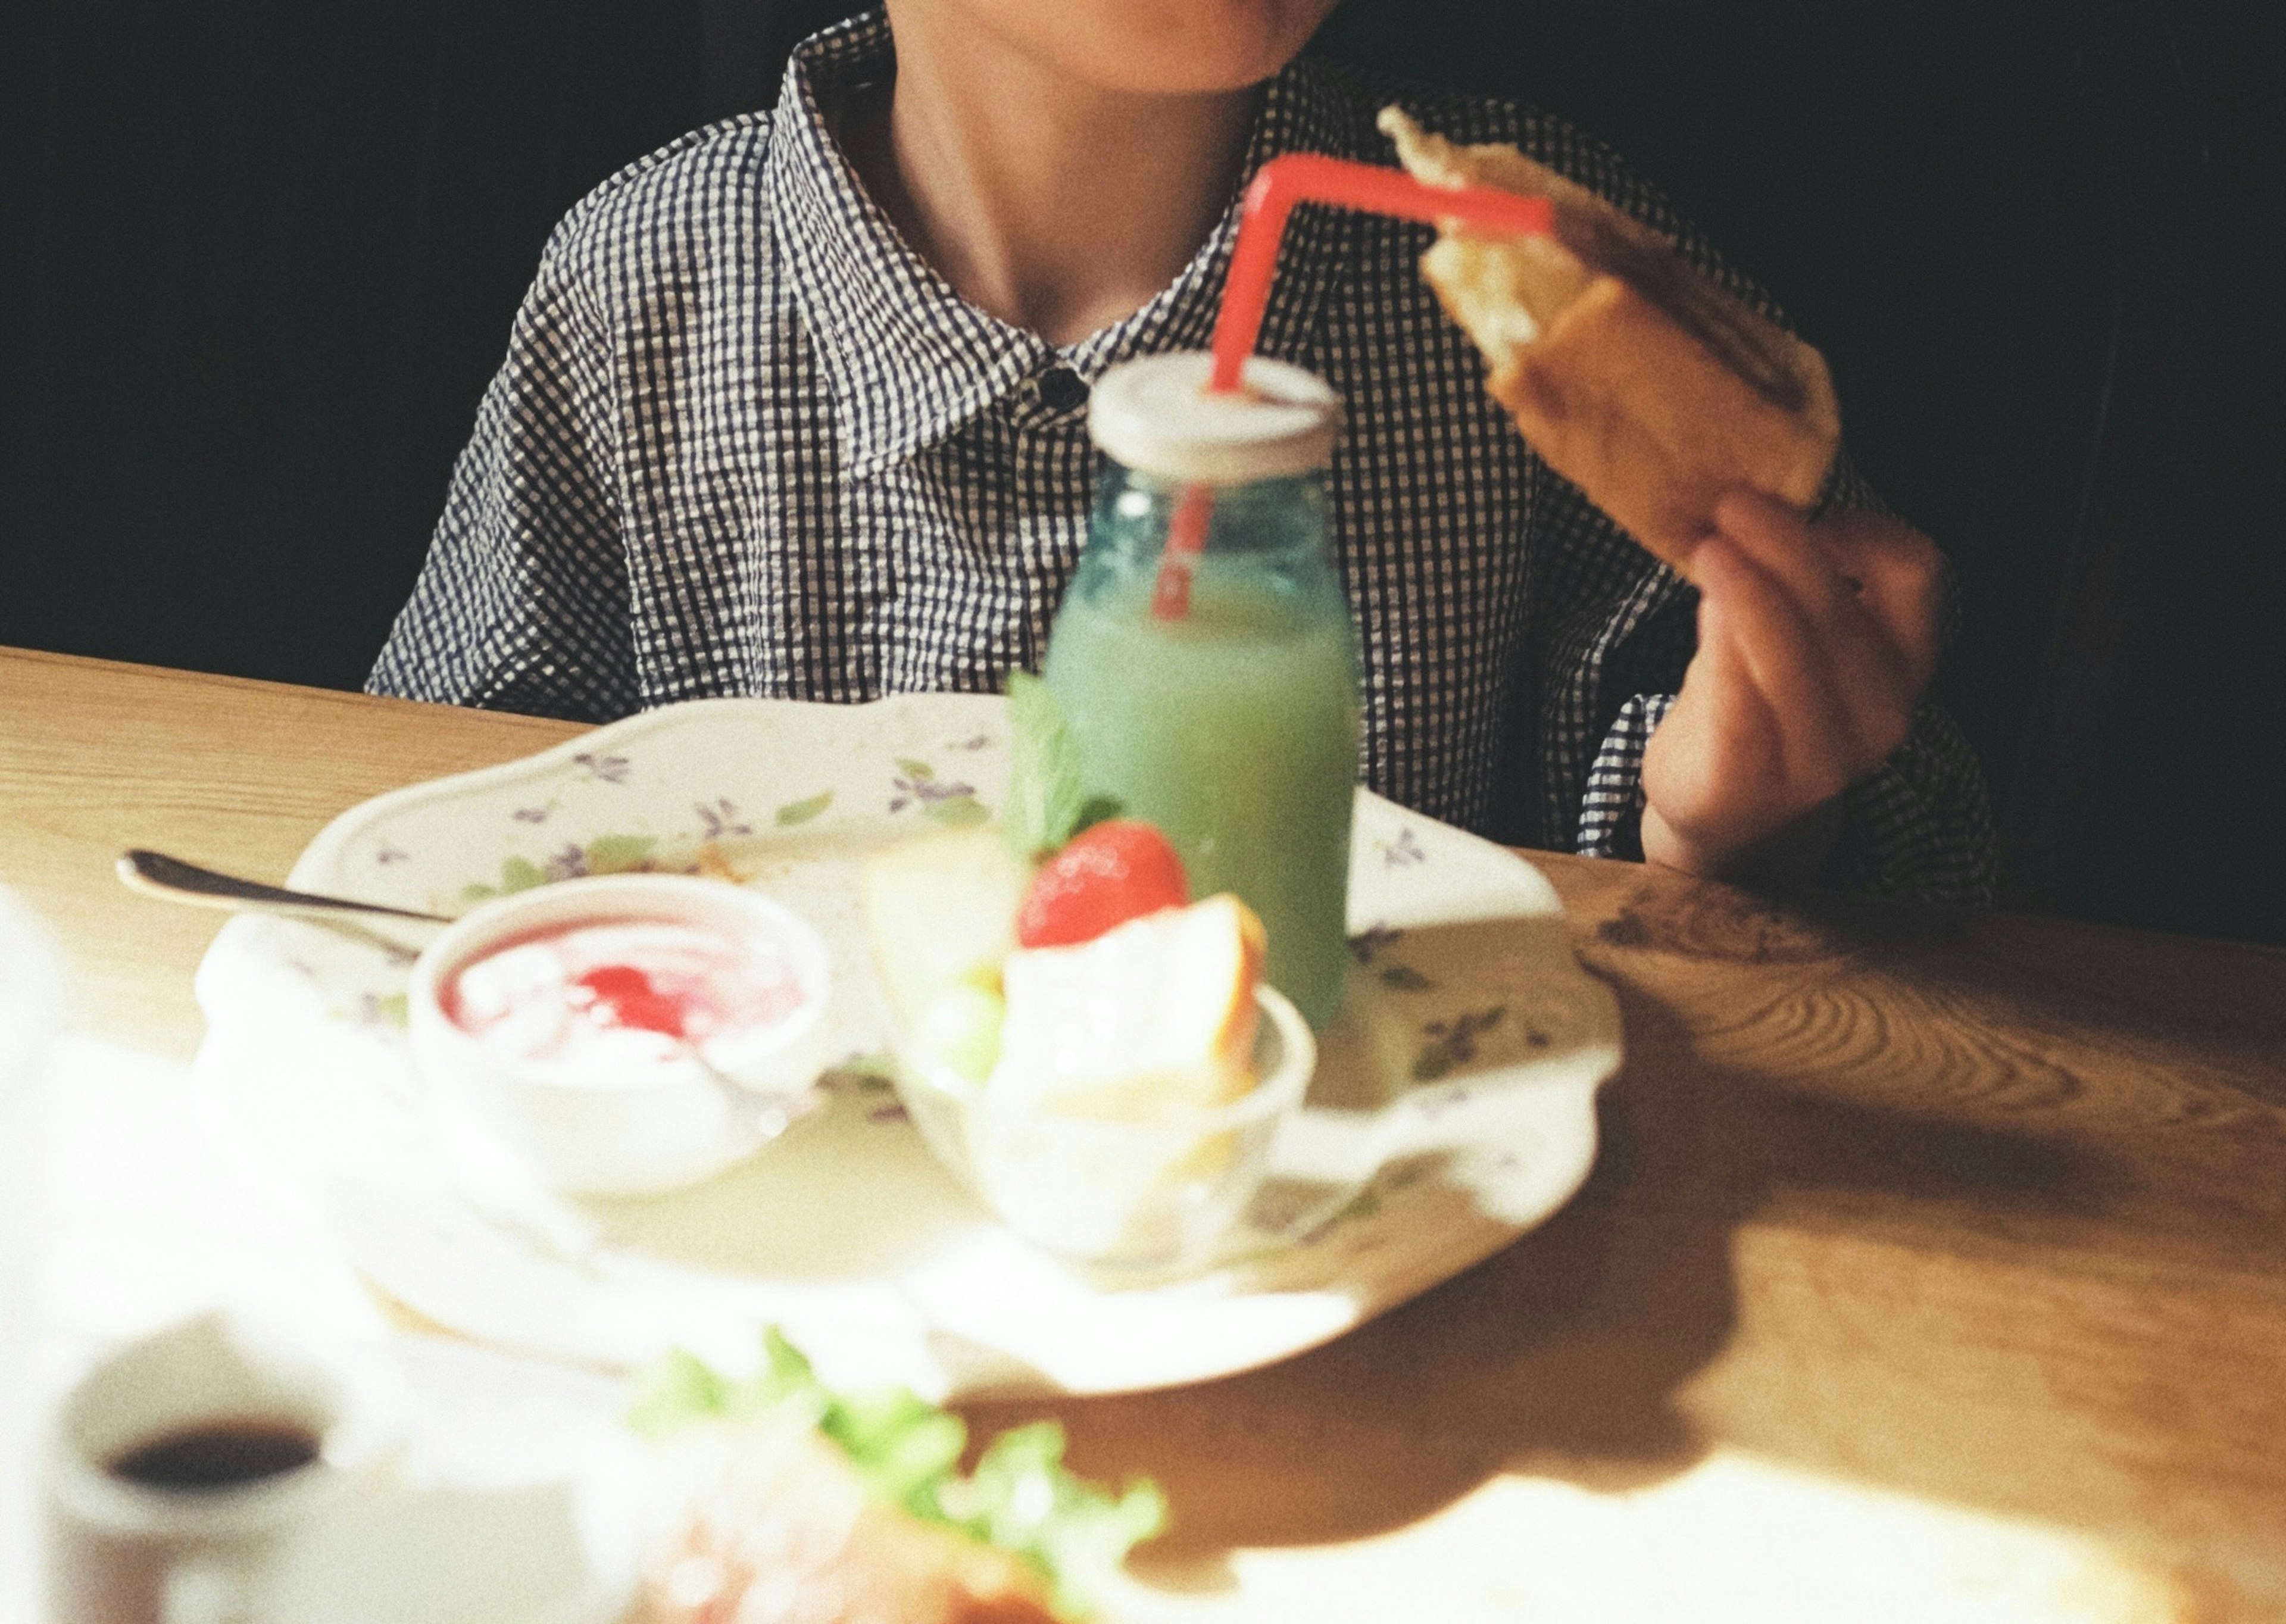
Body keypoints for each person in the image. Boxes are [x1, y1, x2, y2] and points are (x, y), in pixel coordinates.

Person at [368, 0, 1994, 903]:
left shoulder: (1531, 278)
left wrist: (1739, 822)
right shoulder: (642, 282)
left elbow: (1892, 865)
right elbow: (419, 814)